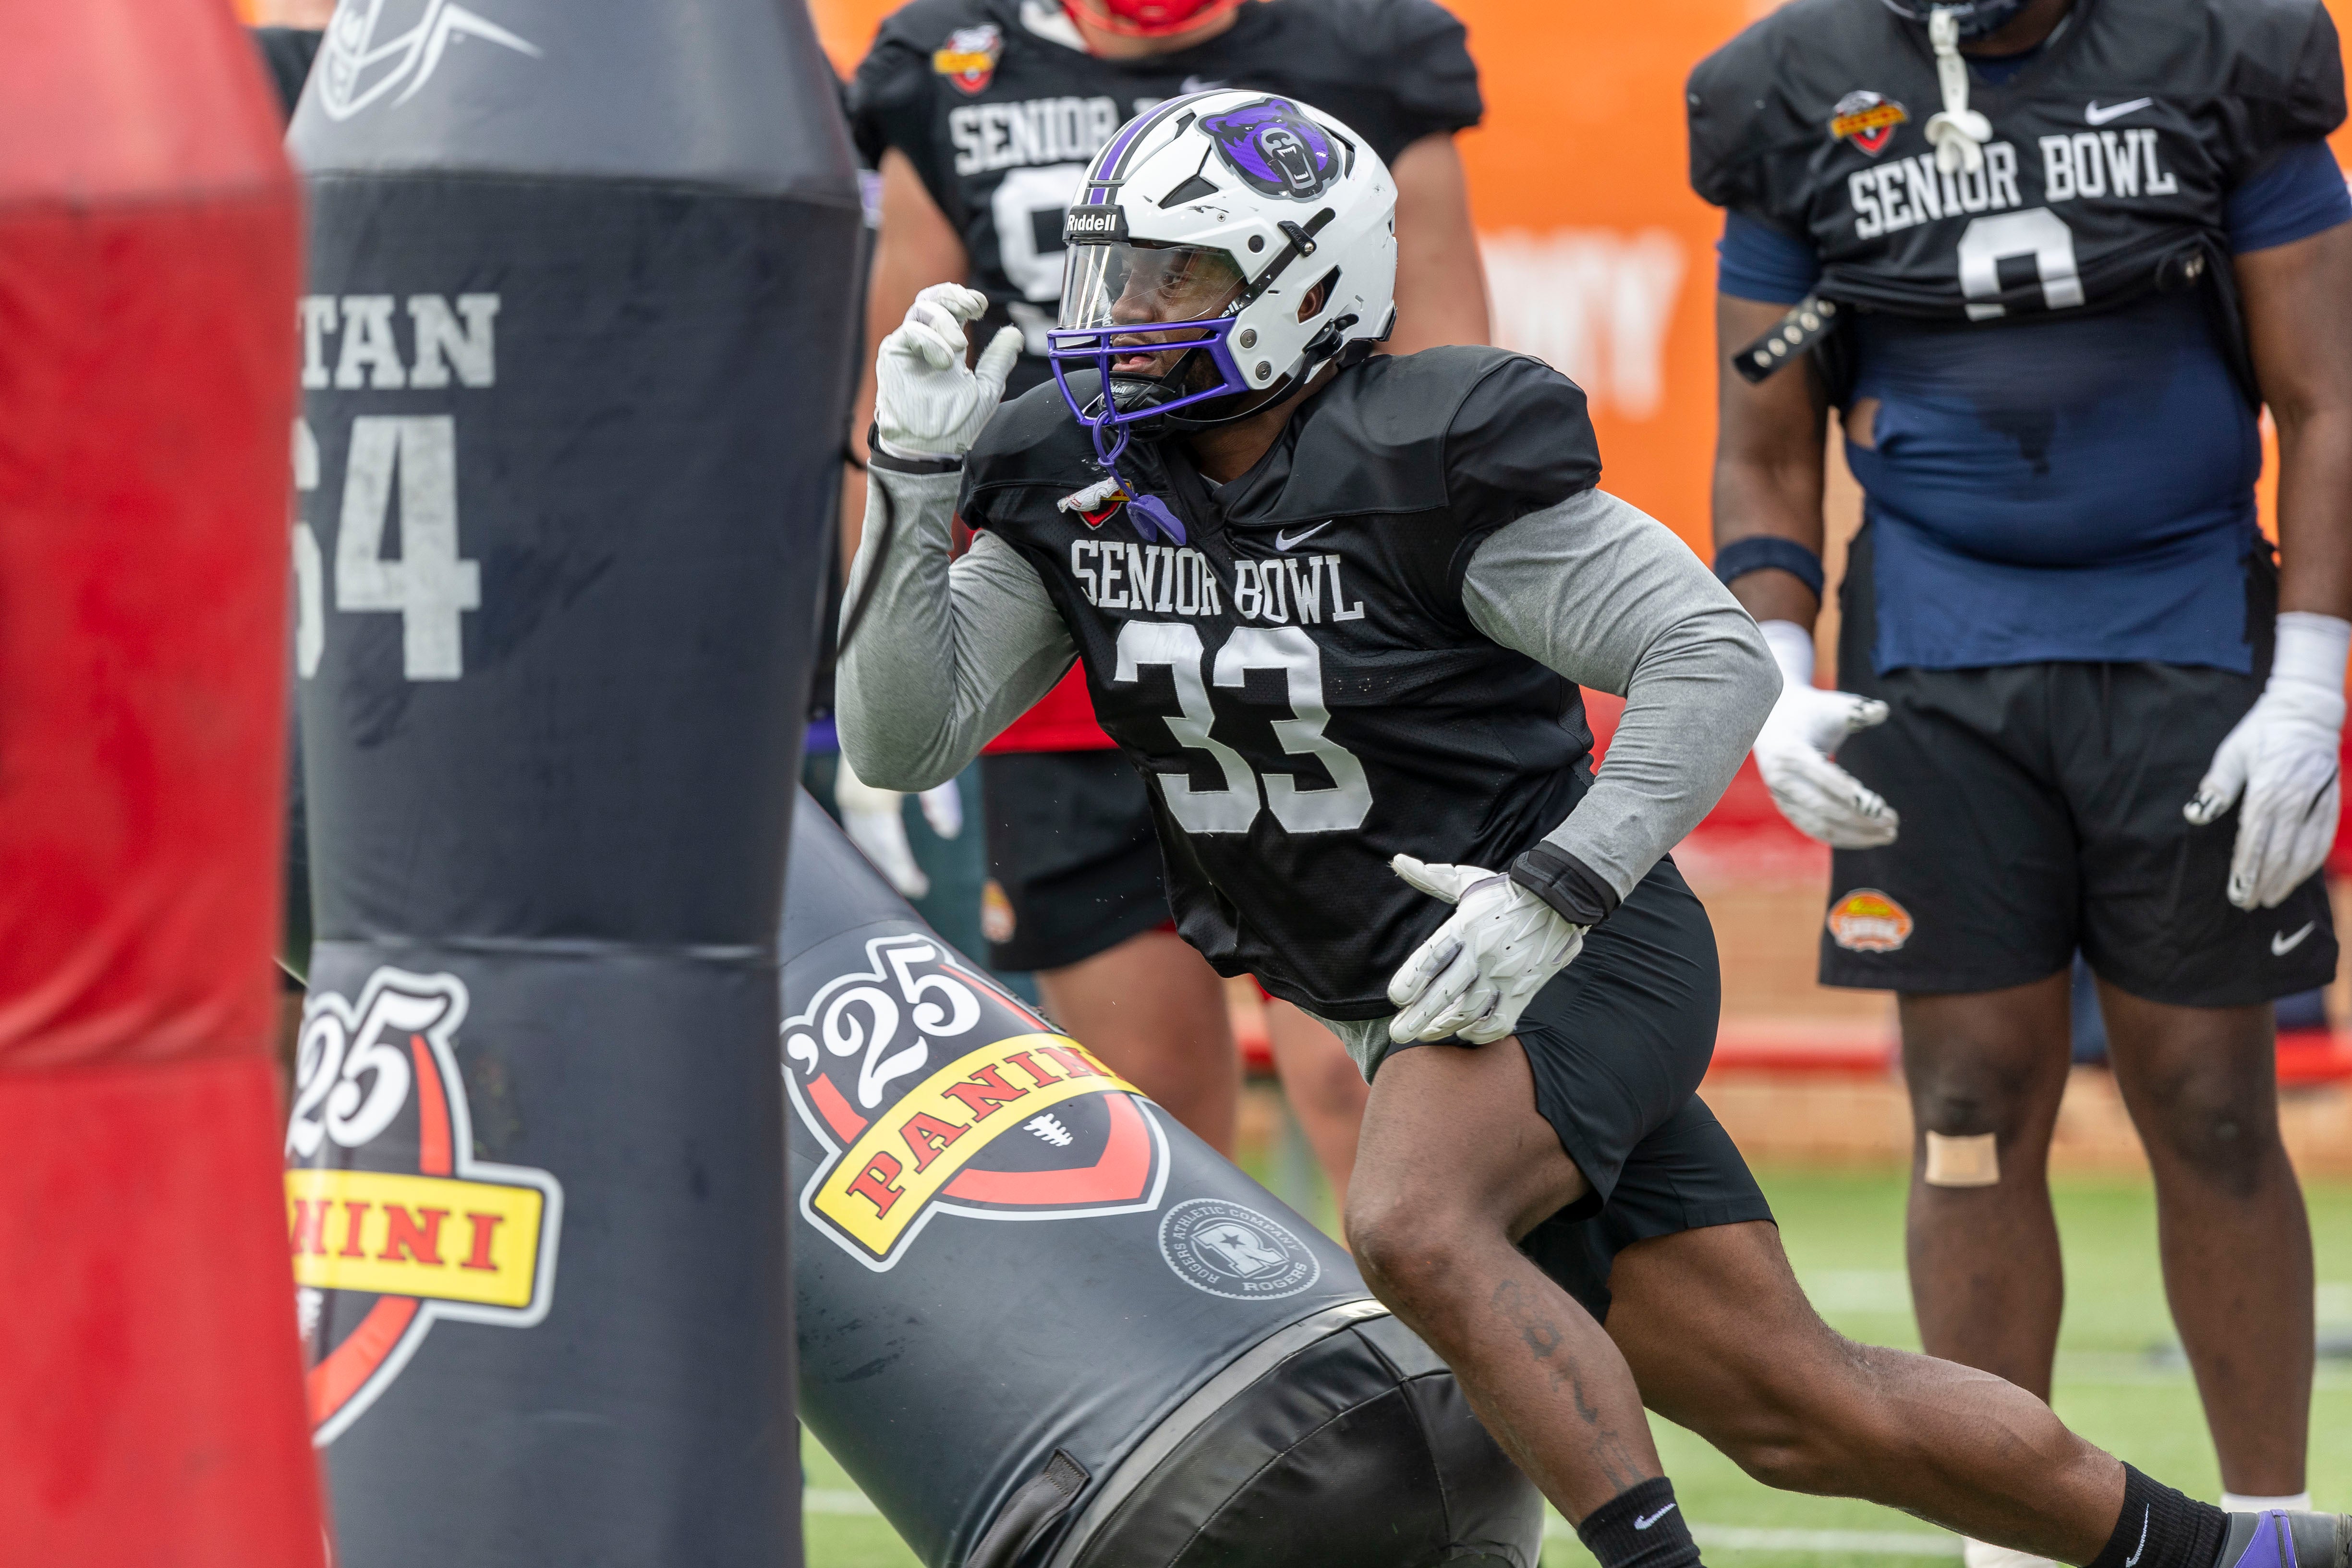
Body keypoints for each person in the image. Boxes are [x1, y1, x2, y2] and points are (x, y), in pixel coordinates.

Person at [834, 88, 2352, 1568]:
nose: (1129, 307)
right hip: (1404, 981)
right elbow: (911, 734)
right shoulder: (1074, 472)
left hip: (1575, 942)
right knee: (1806, 1408)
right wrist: (910, 481)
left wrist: (1554, 890)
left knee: (1416, 1224)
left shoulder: (1423, 452)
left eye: (1181, 274)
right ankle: (2250, 1551)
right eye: (1122, 269)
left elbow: (1699, 654)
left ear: (1305, 289)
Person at [1690, 0, 2352, 1547]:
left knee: (2211, 1104)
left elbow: (2326, 398)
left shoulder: (2219, 51)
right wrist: (1772, 670)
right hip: (1932, 651)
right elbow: (1763, 437)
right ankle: (2006, 1529)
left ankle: (2274, 1520)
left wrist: (2314, 677)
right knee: (1969, 1101)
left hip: (2187, 635)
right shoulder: (1790, 87)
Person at [841, 0, 1489, 1189]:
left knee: (1374, 1088)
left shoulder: (1359, 45)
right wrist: (888, 639)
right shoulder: (949, 62)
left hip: (1300, 609)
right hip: (1070, 595)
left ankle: (1431, 1375)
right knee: (1146, 1115)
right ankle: (1259, 1381)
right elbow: (898, 383)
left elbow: (1449, 372)